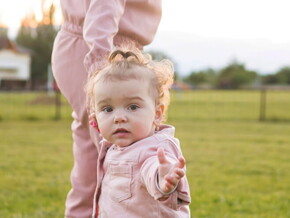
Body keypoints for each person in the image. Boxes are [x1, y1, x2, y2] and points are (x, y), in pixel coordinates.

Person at [51, 0, 162, 217]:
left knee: (92, 158)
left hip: (93, 44)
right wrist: (100, 67)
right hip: (101, 46)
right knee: (121, 157)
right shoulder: (101, 55)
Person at [85, 47, 191, 217]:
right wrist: (99, 123)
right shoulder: (119, 144)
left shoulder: (157, 148)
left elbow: (151, 166)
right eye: (107, 109)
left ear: (157, 113)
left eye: (132, 107)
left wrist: (162, 177)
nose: (118, 118)